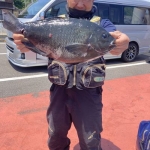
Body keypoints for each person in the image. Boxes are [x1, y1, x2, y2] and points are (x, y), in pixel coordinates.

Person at [13, 0, 129, 149]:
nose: (80, 4)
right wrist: (24, 44)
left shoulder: (102, 25)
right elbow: (33, 48)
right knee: (55, 137)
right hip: (59, 92)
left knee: (90, 141)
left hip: (89, 95)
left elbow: (116, 38)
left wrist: (123, 42)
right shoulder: (53, 22)